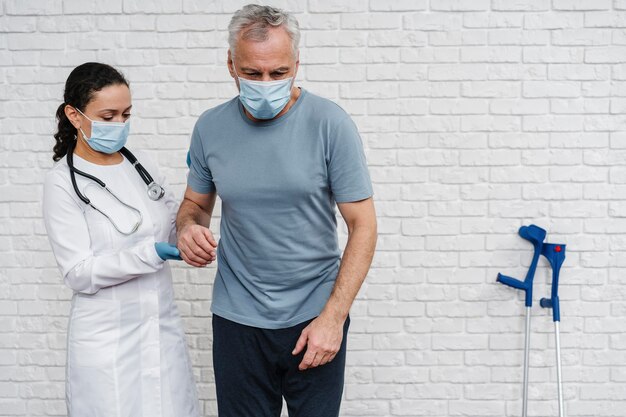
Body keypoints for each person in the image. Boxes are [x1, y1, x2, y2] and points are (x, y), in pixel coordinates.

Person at [176, 4, 377, 417]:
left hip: (314, 317)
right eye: (252, 73)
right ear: (230, 64)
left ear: (296, 64)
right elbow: (195, 205)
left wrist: (333, 318)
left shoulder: (330, 124)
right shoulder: (210, 128)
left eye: (279, 73)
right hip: (237, 321)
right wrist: (186, 228)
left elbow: (364, 226)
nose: (265, 84)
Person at [42, 62, 200, 417]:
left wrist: (199, 180)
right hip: (105, 342)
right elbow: (78, 272)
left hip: (160, 332)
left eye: (126, 114)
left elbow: (173, 225)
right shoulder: (62, 183)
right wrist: (150, 254)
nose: (120, 125)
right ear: (75, 115)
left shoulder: (139, 163)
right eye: (108, 115)